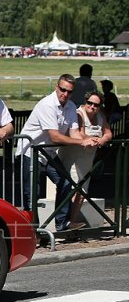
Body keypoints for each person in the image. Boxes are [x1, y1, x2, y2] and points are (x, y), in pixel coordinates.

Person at [16, 74, 99, 231]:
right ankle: (33, 231)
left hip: (49, 154)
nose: (65, 94)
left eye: (69, 91)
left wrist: (91, 140)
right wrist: (82, 142)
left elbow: (74, 133)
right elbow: (55, 137)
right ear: (56, 87)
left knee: (66, 183)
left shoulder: (71, 106)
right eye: (62, 90)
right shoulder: (47, 105)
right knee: (32, 194)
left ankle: (62, 223)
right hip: (30, 153)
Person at [60, 90, 112, 226]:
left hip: (88, 159)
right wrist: (94, 139)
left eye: (96, 104)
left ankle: (72, 221)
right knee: (73, 189)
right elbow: (79, 134)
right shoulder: (79, 114)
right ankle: (64, 221)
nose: (92, 107)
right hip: (74, 156)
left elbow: (108, 132)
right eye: (90, 103)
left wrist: (103, 139)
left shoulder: (100, 115)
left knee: (82, 192)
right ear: (86, 101)